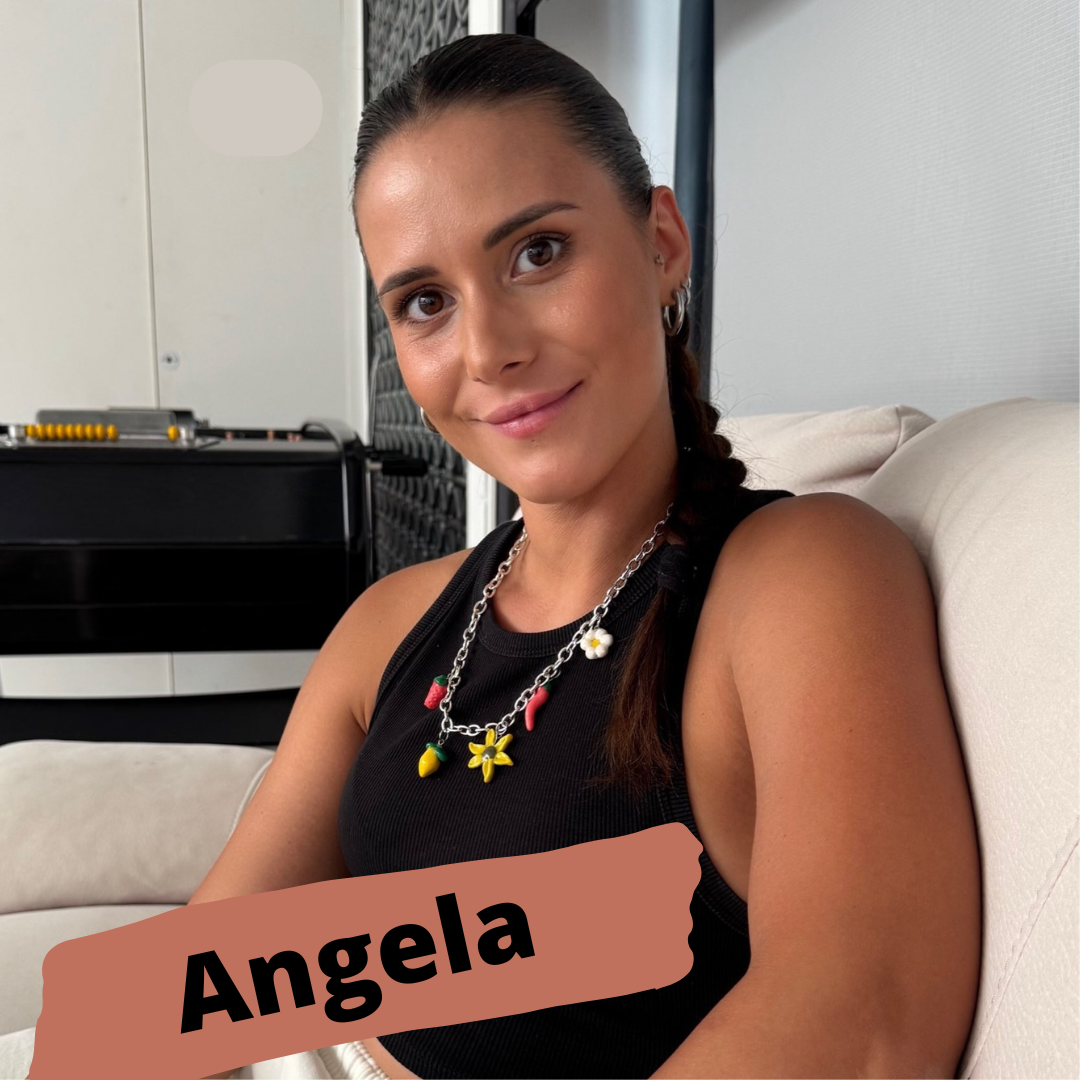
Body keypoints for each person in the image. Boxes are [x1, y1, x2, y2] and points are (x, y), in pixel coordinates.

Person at [2, 32, 980, 1080]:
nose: (487, 350)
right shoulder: (391, 622)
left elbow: (865, 1021)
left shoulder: (796, 578)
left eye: (537, 253)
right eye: (426, 302)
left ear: (660, 243)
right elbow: (193, 987)